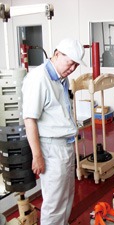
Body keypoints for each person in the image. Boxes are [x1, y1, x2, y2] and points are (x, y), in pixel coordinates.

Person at [22, 38, 86, 225]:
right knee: (54, 204)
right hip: (51, 150)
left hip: (64, 146)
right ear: (57, 55)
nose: (73, 68)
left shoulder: (60, 79)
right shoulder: (39, 78)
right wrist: (37, 156)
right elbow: (29, 119)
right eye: (70, 62)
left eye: (76, 64)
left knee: (66, 198)